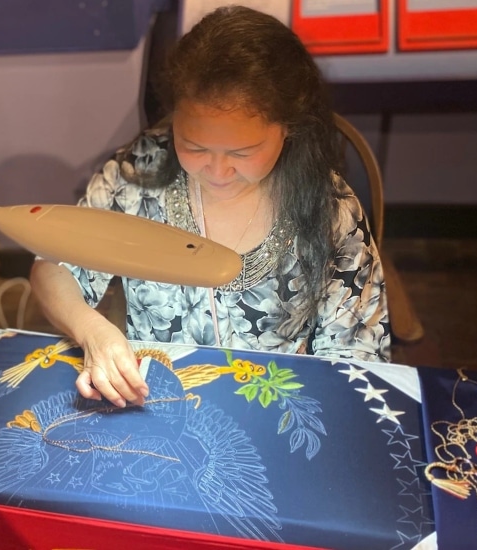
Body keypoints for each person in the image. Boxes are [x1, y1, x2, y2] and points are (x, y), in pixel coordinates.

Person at [30, 6, 390, 409]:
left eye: (243, 151)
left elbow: (356, 354)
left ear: (288, 127)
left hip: (281, 408)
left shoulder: (331, 210)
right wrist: (93, 331)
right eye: (195, 146)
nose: (217, 171)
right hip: (157, 403)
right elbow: (53, 266)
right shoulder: (138, 175)